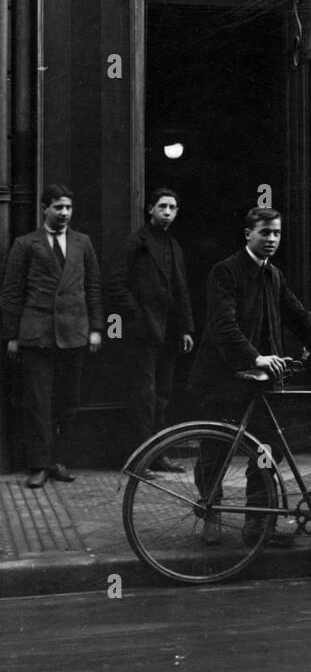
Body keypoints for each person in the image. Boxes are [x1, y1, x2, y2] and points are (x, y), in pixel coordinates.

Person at [187, 206, 311, 546]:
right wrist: (255, 356)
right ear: (248, 234)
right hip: (223, 379)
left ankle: (258, 524)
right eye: (264, 232)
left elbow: (299, 318)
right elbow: (223, 326)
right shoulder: (225, 272)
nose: (271, 239)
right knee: (215, 451)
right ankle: (211, 512)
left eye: (277, 233)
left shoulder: (273, 275)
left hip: (262, 383)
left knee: (268, 450)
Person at [1, 184, 103, 488]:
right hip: (37, 336)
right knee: (38, 402)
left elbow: (95, 288)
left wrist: (100, 329)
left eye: (68, 207)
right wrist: (11, 336)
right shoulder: (25, 244)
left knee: (67, 402)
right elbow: (11, 293)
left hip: (74, 335)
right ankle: (39, 465)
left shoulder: (83, 243)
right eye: (58, 207)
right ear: (44, 208)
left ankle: (59, 460)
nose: (64, 213)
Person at [108, 188, 195, 469]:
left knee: (163, 394)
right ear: (150, 209)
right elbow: (115, 283)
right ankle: (140, 460)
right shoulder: (136, 242)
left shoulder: (175, 246)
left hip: (169, 333)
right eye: (162, 207)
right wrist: (136, 314)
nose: (167, 212)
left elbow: (182, 291)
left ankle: (158, 455)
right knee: (143, 396)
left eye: (172, 207)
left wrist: (186, 329)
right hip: (143, 333)